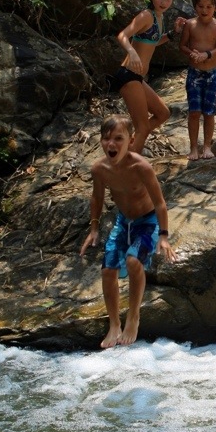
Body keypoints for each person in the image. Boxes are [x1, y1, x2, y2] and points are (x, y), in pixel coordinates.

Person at [79, 115, 177, 348]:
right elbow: (97, 198)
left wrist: (164, 236)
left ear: (131, 141)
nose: (111, 144)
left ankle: (133, 317)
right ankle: (114, 324)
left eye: (118, 139)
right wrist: (94, 229)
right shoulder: (100, 169)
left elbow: (160, 202)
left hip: (148, 221)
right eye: (106, 139)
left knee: (134, 261)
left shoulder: (141, 167)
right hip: (124, 222)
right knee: (107, 270)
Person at [113, 0, 186, 154]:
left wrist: (173, 33)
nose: (164, 2)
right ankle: (129, 162)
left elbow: (153, 42)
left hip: (137, 78)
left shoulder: (158, 17)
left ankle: (128, 146)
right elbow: (122, 35)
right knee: (143, 128)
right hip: (128, 75)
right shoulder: (146, 15)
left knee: (163, 114)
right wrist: (131, 52)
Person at [179, 0, 216, 160]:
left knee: (209, 112)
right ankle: (193, 147)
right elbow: (182, 45)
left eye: (209, 7)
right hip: (194, 74)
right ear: (195, 6)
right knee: (194, 112)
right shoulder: (190, 24)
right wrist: (191, 53)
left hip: (212, 74)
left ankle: (207, 146)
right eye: (201, 6)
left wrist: (207, 55)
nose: (204, 10)